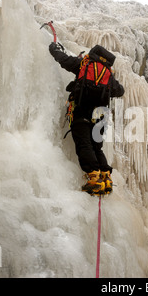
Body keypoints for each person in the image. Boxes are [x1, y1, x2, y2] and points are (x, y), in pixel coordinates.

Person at [49, 42, 125, 196]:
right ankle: (106, 177)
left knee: (84, 143)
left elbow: (64, 60)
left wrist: (54, 49)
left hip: (82, 111)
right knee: (96, 147)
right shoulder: (108, 74)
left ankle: (94, 178)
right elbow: (120, 91)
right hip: (101, 115)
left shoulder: (84, 65)